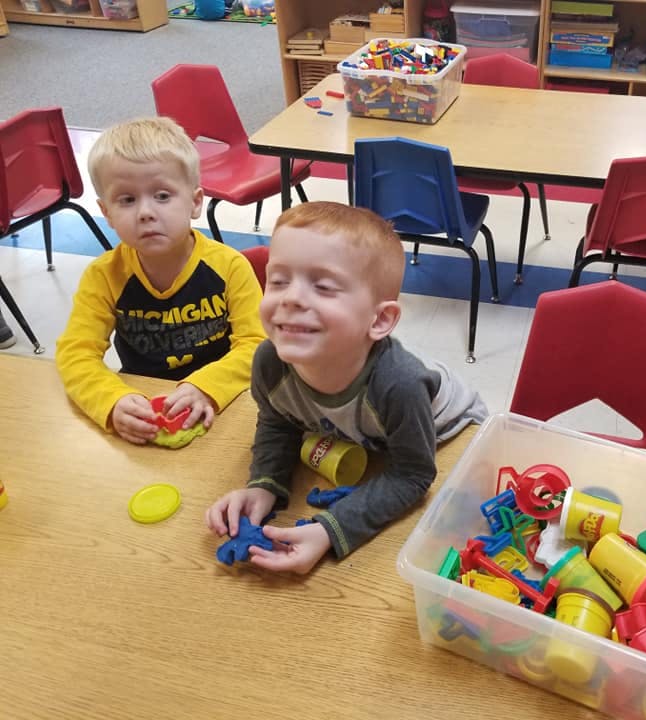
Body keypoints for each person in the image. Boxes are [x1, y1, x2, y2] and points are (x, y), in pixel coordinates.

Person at [205, 202, 488, 573]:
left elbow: (413, 474)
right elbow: (278, 422)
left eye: (323, 287)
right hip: (371, 436)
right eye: (278, 280)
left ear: (380, 319)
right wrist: (264, 484)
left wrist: (330, 530)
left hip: (448, 434)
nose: (290, 298)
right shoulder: (270, 363)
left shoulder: (399, 384)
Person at [55, 117, 266, 445]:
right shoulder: (103, 276)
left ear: (195, 202)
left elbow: (257, 344)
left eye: (163, 196)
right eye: (127, 200)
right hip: (144, 410)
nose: (145, 212)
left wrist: (207, 386)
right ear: (106, 212)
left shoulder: (230, 267)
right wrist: (111, 401)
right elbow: (76, 353)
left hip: (224, 403)